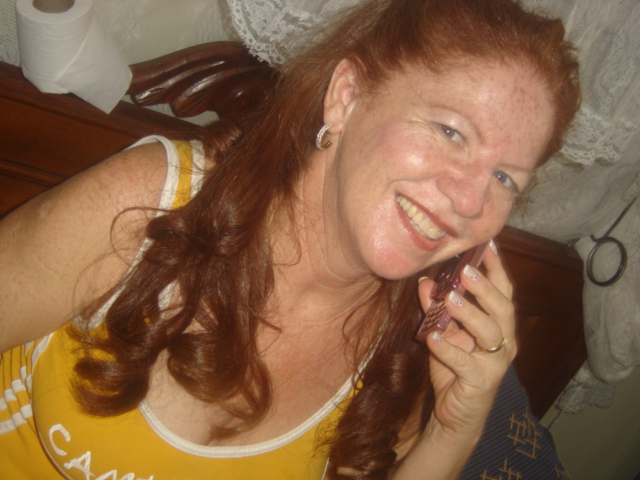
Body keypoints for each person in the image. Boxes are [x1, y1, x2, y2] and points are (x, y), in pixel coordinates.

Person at [0, 0, 580, 478]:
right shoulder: (149, 206)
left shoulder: (402, 347)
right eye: (450, 131)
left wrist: (454, 432)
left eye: (506, 179)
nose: (470, 201)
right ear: (347, 96)